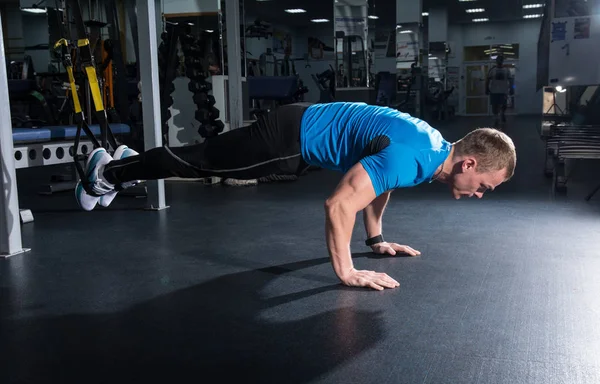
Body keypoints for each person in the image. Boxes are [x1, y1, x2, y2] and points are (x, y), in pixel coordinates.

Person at [76, 102, 516, 291]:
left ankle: (129, 162)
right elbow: (340, 203)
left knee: (200, 160)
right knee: (202, 166)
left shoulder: (435, 149)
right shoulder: (417, 156)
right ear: (469, 165)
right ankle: (110, 170)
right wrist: (348, 272)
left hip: (303, 130)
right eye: (484, 188)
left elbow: (379, 185)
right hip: (288, 139)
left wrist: (375, 241)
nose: (480, 196)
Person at [486, 55, 514, 127]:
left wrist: (511, 88)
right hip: (494, 90)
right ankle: (496, 118)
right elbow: (488, 79)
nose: (499, 61)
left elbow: (510, 80)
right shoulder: (492, 70)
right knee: (494, 105)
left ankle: (502, 113)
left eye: (501, 60)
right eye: (498, 60)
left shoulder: (506, 70)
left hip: (503, 90)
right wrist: (486, 88)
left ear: (502, 61)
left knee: (504, 105)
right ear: (496, 61)